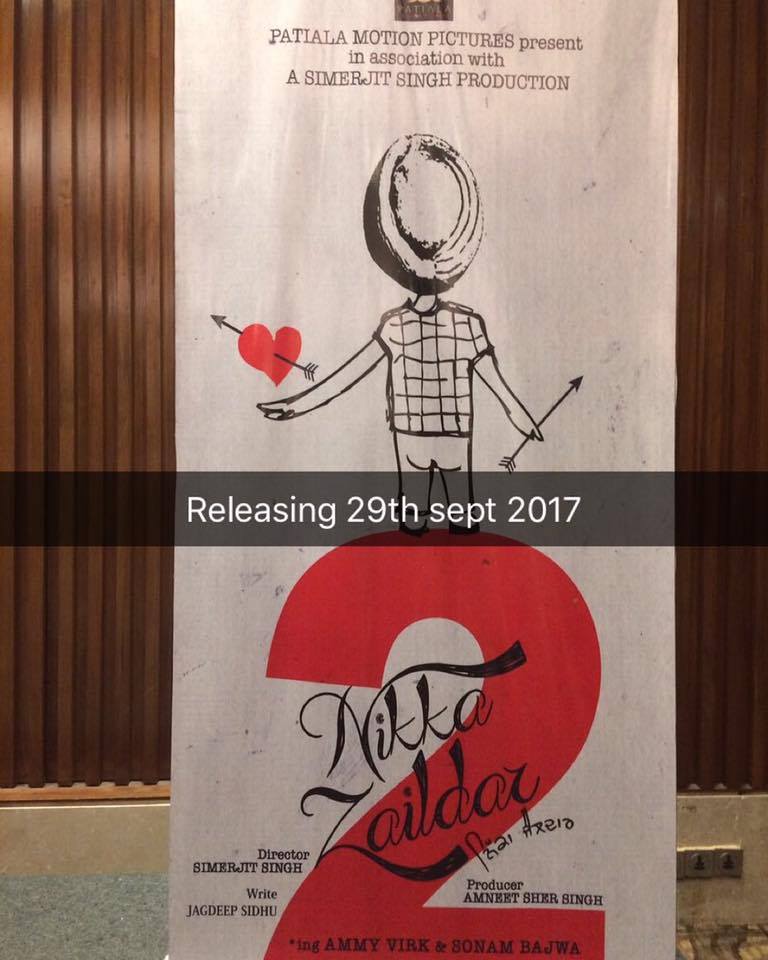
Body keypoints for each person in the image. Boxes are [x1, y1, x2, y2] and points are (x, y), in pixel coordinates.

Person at [258, 133, 542, 534]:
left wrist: (522, 417)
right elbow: (349, 375)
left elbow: (348, 376)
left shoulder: (431, 325)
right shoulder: (426, 326)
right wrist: (296, 405)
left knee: (443, 524)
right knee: (434, 523)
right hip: (428, 435)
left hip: (433, 435)